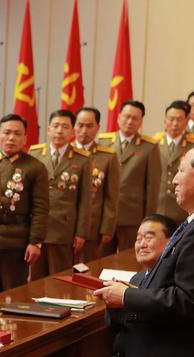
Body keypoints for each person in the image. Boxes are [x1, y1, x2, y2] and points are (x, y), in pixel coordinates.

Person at [95, 150, 194, 357]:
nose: (175, 179)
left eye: (181, 171)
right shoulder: (186, 227)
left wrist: (127, 296)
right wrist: (129, 295)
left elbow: (186, 301)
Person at [0, 114, 49, 293]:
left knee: (13, 295)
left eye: (17, 134)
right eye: (6, 133)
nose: (11, 138)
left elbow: (40, 209)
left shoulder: (35, 167)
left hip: (16, 241)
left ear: (25, 138)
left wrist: (35, 242)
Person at [30, 109, 91, 278]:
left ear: (73, 132)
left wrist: (81, 232)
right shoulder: (35, 154)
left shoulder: (82, 159)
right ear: (48, 129)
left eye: (65, 127)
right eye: (55, 126)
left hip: (64, 229)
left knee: (60, 276)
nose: (59, 131)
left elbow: (85, 200)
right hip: (37, 229)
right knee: (35, 278)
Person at [107, 214, 176, 357]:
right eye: (138, 239)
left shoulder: (172, 283)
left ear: (171, 242)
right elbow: (114, 325)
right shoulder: (137, 278)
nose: (141, 244)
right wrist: (113, 303)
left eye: (148, 238)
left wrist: (128, 298)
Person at [98, 100, 161, 252]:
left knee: (130, 259)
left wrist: (149, 220)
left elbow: (152, 188)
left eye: (135, 118)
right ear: (118, 117)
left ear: (141, 122)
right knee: (99, 259)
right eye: (126, 116)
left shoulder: (149, 147)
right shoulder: (103, 142)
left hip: (133, 217)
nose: (130, 121)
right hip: (105, 215)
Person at [74, 107, 120, 262]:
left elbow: (111, 196)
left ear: (98, 128)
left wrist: (107, 228)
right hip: (65, 226)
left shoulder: (107, 156)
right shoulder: (67, 154)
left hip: (93, 226)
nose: (83, 130)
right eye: (80, 125)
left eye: (89, 126)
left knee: (88, 269)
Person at [154, 100, 194, 223]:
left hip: (182, 210)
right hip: (157, 206)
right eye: (171, 119)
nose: (175, 124)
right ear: (165, 121)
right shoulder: (154, 144)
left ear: (187, 121)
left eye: (179, 119)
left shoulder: (192, 145)